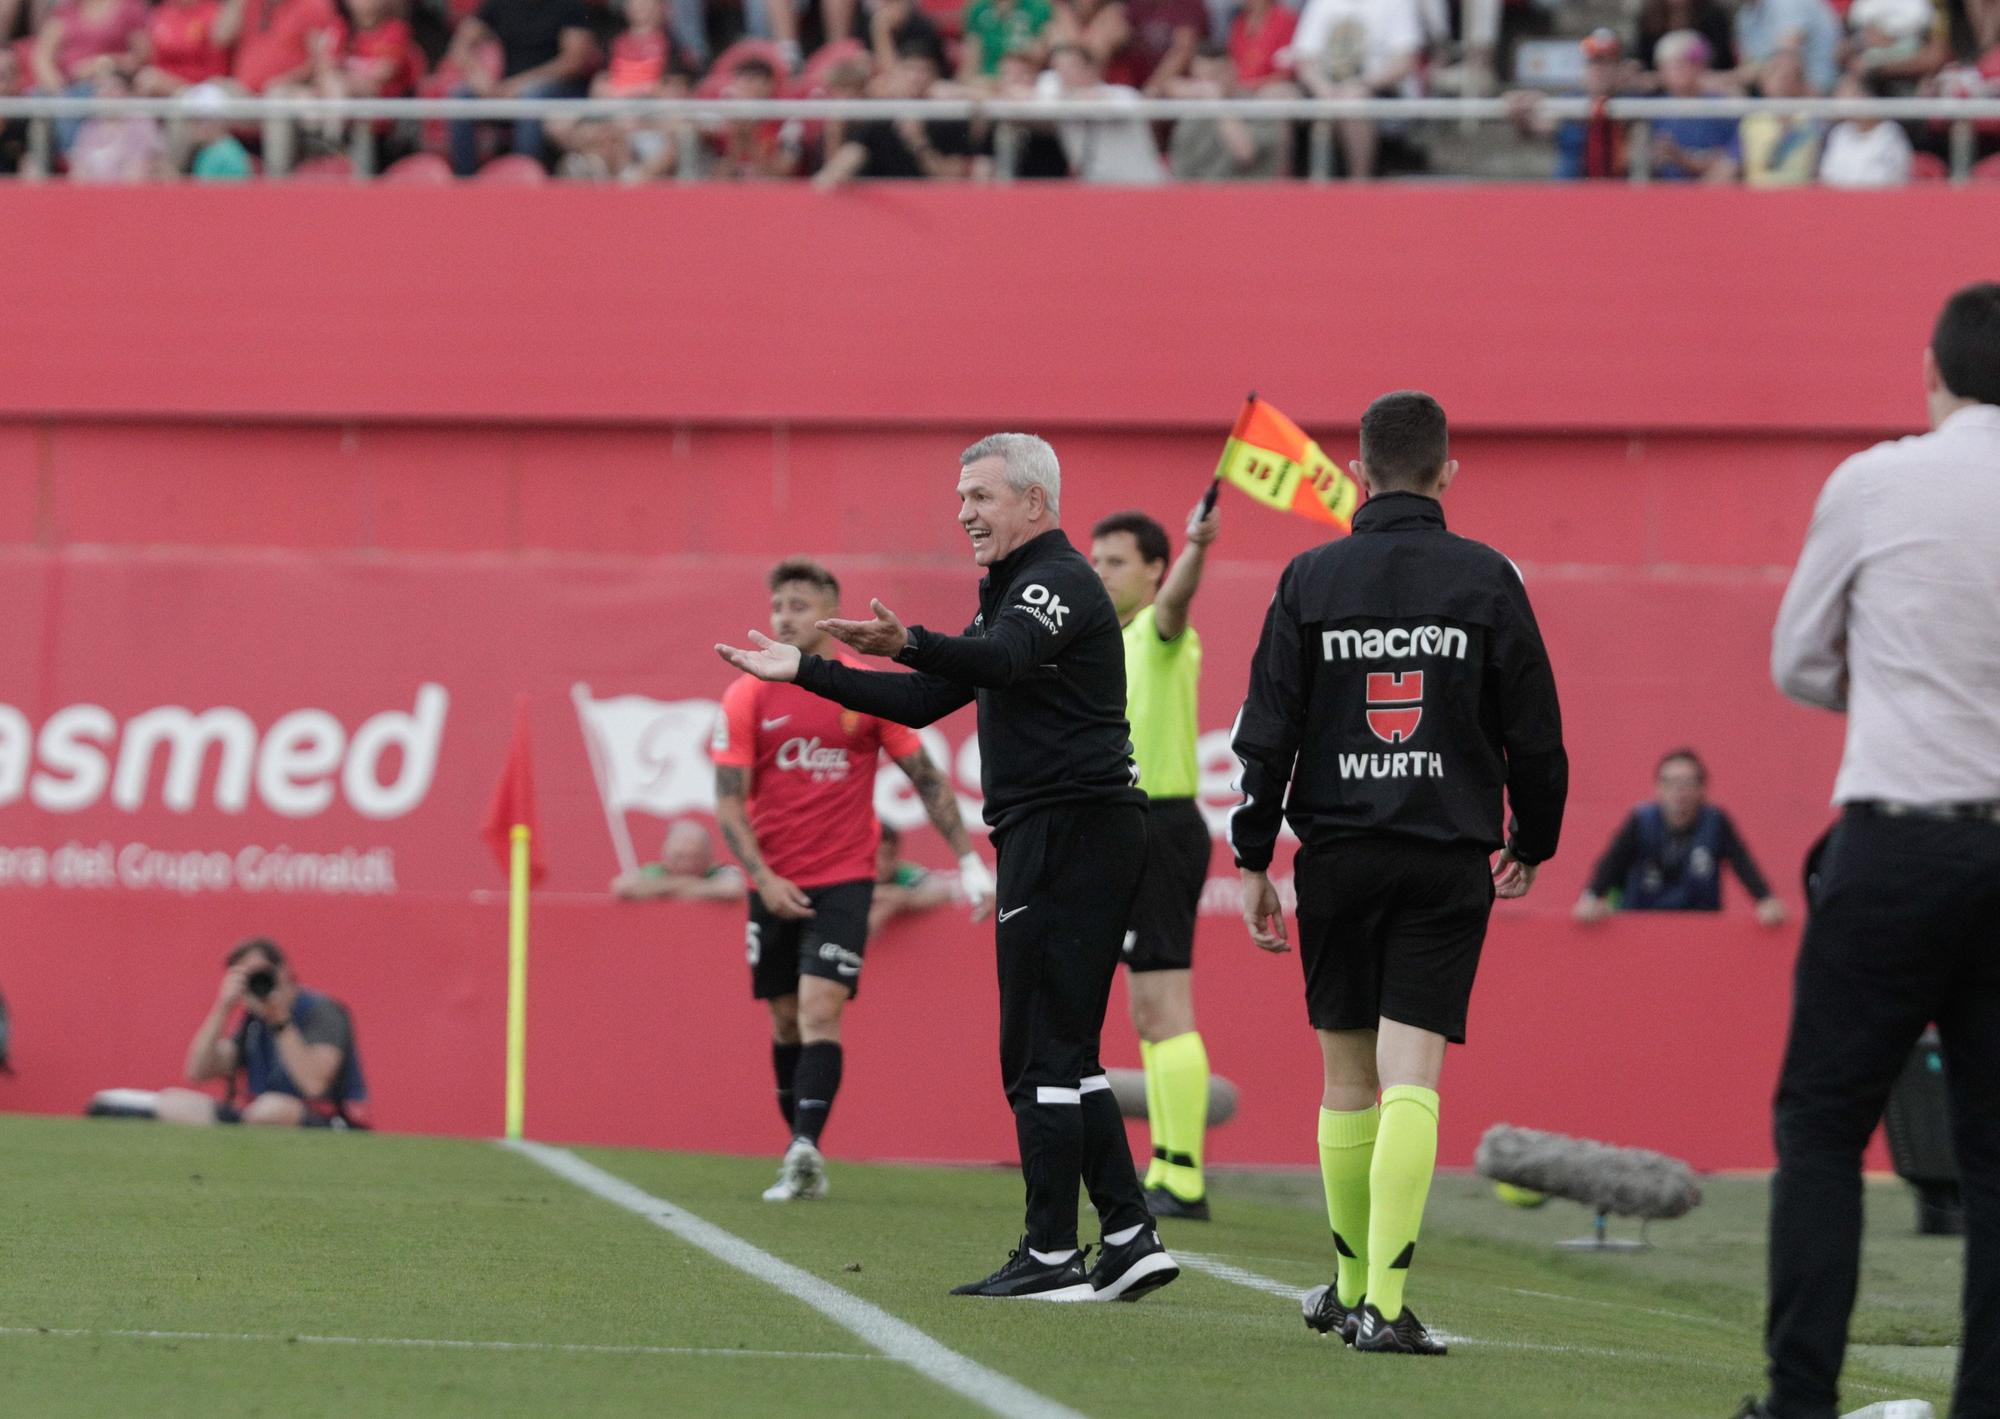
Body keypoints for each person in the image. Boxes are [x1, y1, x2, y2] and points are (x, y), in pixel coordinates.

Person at [716, 433, 1180, 1304]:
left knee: (1036, 1049)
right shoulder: (1017, 586)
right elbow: (930, 697)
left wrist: (911, 639)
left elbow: (992, 660)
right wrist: (811, 671)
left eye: (980, 496)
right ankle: (1126, 1233)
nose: (963, 511)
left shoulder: (1053, 580)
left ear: (1035, 502)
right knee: (1066, 1047)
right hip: (1070, 829)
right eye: (960, 496)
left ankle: (1051, 1251)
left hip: (1069, 828)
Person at [1230, 390, 1567, 1355]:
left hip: (1334, 855)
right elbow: (1535, 733)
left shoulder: (1310, 575)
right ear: (1447, 474)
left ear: (1361, 473)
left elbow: (1267, 735)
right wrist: (1531, 837)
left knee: (1345, 1078)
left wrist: (1254, 856)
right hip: (1443, 855)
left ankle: (1345, 1289)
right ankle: (1383, 1300)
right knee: (1409, 1073)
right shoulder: (1488, 577)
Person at [1734, 283, 2000, 1419]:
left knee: (1821, 1129)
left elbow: (1796, 661)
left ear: (1932, 373)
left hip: (1895, 840)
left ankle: (1798, 1399)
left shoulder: (1875, 479)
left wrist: (1888, 678)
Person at [711, 557, 994, 1203]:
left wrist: (970, 859)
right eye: (778, 605)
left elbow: (927, 777)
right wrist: (762, 876)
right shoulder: (747, 693)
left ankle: (807, 1144)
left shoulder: (862, 691)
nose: (785, 616)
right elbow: (729, 802)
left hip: (846, 876)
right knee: (785, 1020)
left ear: (830, 614)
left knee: (819, 1009)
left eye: (800, 605)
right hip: (773, 882)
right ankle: (798, 1150)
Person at [1089, 501, 1220, 1220]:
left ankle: (1185, 1174)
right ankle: (1168, 1166)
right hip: (1127, 826)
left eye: (1116, 562)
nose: (1102, 573)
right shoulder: (1110, 641)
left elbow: (1178, 601)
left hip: (1161, 823)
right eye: (1097, 561)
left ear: (1152, 571)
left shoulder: (1160, 632)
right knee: (1146, 1007)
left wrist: (1197, 544)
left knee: (1166, 1005)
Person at [152, 938, 369, 1127]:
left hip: (321, 1116)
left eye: (261, 972)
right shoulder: (254, 1020)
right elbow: (197, 1071)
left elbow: (314, 1085)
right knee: (172, 1102)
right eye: (247, 976)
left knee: (270, 1109)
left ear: (283, 971)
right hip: (254, 1114)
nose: (257, 981)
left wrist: (280, 1021)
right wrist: (222, 1007)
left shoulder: (322, 1011)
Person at [1573, 749, 1786, 925]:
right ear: (1658, 788)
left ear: (1703, 789)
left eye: (1688, 783)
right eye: (1672, 783)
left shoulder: (1716, 823)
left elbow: (1743, 864)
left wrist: (1765, 900)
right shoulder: (1640, 822)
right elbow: (1611, 865)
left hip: (1699, 930)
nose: (1680, 792)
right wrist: (1591, 897)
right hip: (1643, 926)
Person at [444, 0, 599, 175]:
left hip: (560, 91)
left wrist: (519, 85)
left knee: (531, 98)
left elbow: (573, 62)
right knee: (461, 97)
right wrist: (480, 77)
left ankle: (524, 179)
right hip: (508, 89)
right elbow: (460, 45)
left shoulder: (568, 5)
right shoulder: (499, 4)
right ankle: (465, 180)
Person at [1034, 43, 1168, 183]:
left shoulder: (1123, 94)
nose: (1064, 73)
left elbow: (1102, 102)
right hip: (1095, 188)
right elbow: (1031, 97)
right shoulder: (1057, 97)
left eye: (1071, 66)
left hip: (1141, 185)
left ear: (1090, 69)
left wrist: (1071, 97)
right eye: (1058, 68)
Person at [1166, 41, 1288, 179]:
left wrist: (1217, 104)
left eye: (1214, 75)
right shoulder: (1192, 117)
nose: (1208, 85)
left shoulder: (1260, 108)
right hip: (1201, 196)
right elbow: (1181, 173)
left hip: (1250, 195)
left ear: (1233, 70)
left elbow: (1245, 152)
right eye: (1201, 78)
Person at [1648, 30, 1739, 180]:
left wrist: (1681, 157)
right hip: (1665, 195)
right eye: (1677, 64)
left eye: (1691, 62)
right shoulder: (1652, 109)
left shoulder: (1722, 106)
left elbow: (1730, 159)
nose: (1686, 69)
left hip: (1710, 194)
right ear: (1662, 69)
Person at [612, 820, 746, 901]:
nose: (686, 864)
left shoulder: (719, 872)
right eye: (679, 856)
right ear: (665, 855)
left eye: (694, 857)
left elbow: (733, 889)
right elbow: (623, 887)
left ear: (709, 857)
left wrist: (662, 889)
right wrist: (684, 883)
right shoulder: (654, 871)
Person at [867, 822, 956, 933]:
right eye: (873, 855)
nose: (880, 863)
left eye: (887, 855)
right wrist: (884, 894)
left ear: (896, 856)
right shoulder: (850, 876)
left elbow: (944, 893)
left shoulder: (906, 874)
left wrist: (904, 898)